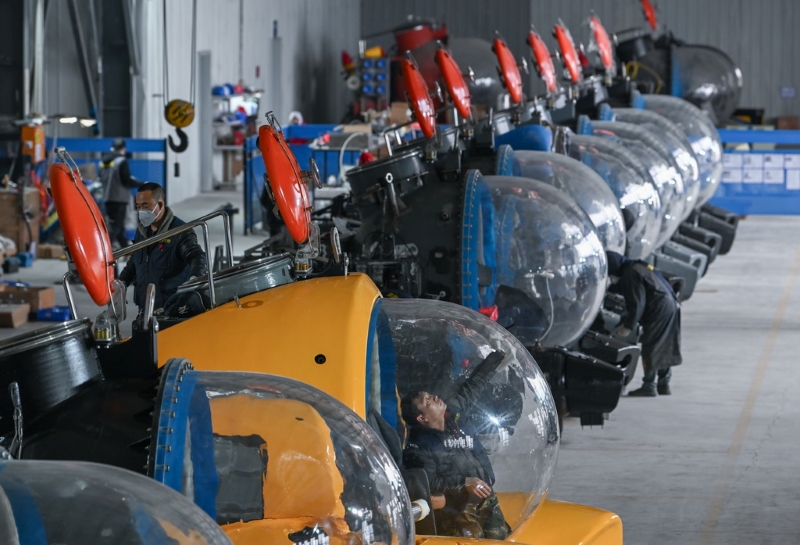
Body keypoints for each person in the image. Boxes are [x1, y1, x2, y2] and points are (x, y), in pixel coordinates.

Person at [401, 350, 510, 539]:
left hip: (485, 497)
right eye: (428, 401)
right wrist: (463, 483)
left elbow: (474, 384)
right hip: (456, 508)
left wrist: (498, 355)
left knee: (503, 539)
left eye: (430, 395)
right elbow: (429, 482)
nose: (434, 397)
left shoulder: (455, 413)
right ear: (422, 418)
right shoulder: (419, 446)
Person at [119, 183, 208, 317]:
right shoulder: (142, 231)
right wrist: (121, 283)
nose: (141, 211)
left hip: (171, 310)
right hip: (145, 309)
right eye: (138, 207)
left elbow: (197, 256)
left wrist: (194, 281)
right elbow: (135, 260)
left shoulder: (180, 232)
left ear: (160, 205)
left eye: (145, 206)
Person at [606, 251, 682, 397]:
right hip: (669, 304)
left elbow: (637, 304)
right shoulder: (637, 266)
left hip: (658, 309)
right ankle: (664, 384)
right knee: (664, 344)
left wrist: (628, 326)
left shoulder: (631, 274)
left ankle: (649, 386)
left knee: (651, 345)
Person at [100, 138, 144, 250]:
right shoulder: (121, 161)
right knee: (116, 226)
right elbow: (126, 180)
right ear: (123, 149)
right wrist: (141, 183)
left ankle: (126, 249)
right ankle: (104, 249)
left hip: (107, 198)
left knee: (117, 225)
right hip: (119, 198)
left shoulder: (103, 161)